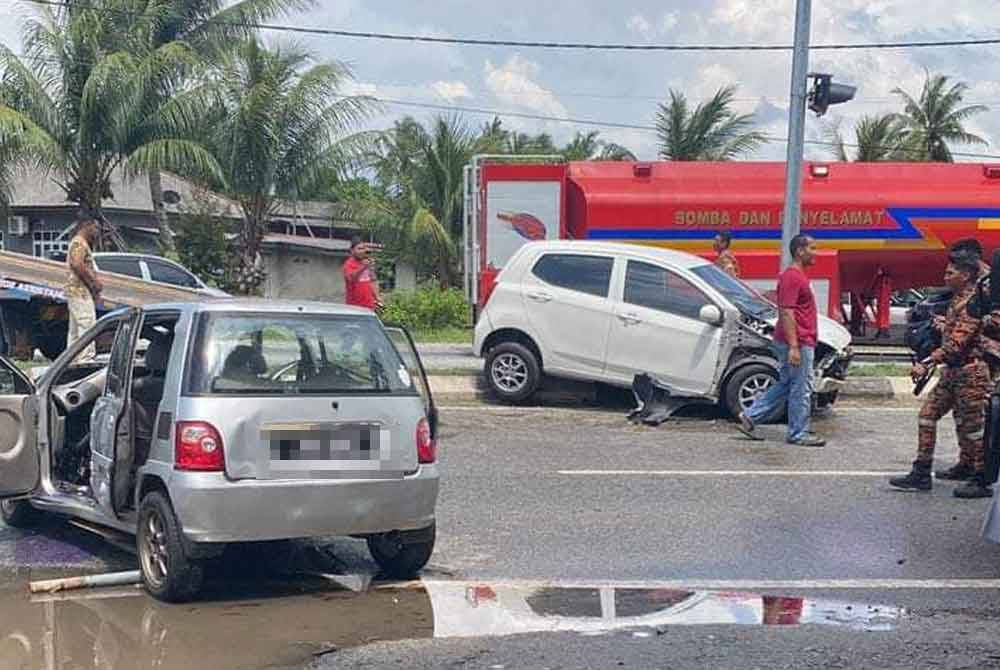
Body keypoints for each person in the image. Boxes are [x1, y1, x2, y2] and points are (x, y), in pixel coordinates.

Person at [889, 252, 993, 498]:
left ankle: (980, 479)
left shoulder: (972, 302)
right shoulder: (958, 299)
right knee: (928, 415)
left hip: (971, 374)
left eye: (951, 273)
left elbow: (958, 343)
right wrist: (944, 325)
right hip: (953, 371)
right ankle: (922, 472)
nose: (945, 277)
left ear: (965, 275)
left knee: (972, 428)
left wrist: (926, 362)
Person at [736, 234, 825, 447]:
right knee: (801, 388)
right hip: (798, 342)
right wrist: (794, 346)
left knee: (788, 384)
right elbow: (786, 312)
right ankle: (798, 433)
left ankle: (751, 416)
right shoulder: (792, 277)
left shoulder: (797, 276)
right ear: (800, 251)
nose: (816, 253)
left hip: (799, 340)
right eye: (812, 248)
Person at [64, 217, 102, 359]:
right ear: (87, 225)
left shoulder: (80, 242)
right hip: (79, 291)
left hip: (77, 290)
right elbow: (77, 264)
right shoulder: (79, 242)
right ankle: (86, 358)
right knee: (87, 324)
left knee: (75, 330)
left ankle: (71, 360)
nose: (97, 232)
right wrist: (93, 282)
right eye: (95, 228)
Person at [342, 236, 383, 311]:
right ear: (352, 250)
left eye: (363, 248)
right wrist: (363, 267)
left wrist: (377, 297)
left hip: (370, 306)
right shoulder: (348, 264)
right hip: (355, 307)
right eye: (359, 249)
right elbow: (351, 279)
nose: (362, 251)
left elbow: (373, 280)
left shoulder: (366, 262)